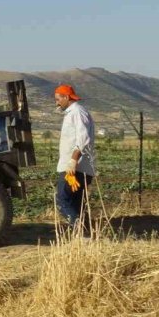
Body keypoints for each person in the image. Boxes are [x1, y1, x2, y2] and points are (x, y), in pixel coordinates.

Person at [54, 85, 96, 228]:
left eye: (58, 99)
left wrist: (73, 160)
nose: (57, 103)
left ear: (66, 97)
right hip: (77, 167)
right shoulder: (73, 112)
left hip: (74, 168)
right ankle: (85, 233)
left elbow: (83, 138)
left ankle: (77, 227)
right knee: (77, 204)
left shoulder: (77, 112)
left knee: (62, 199)